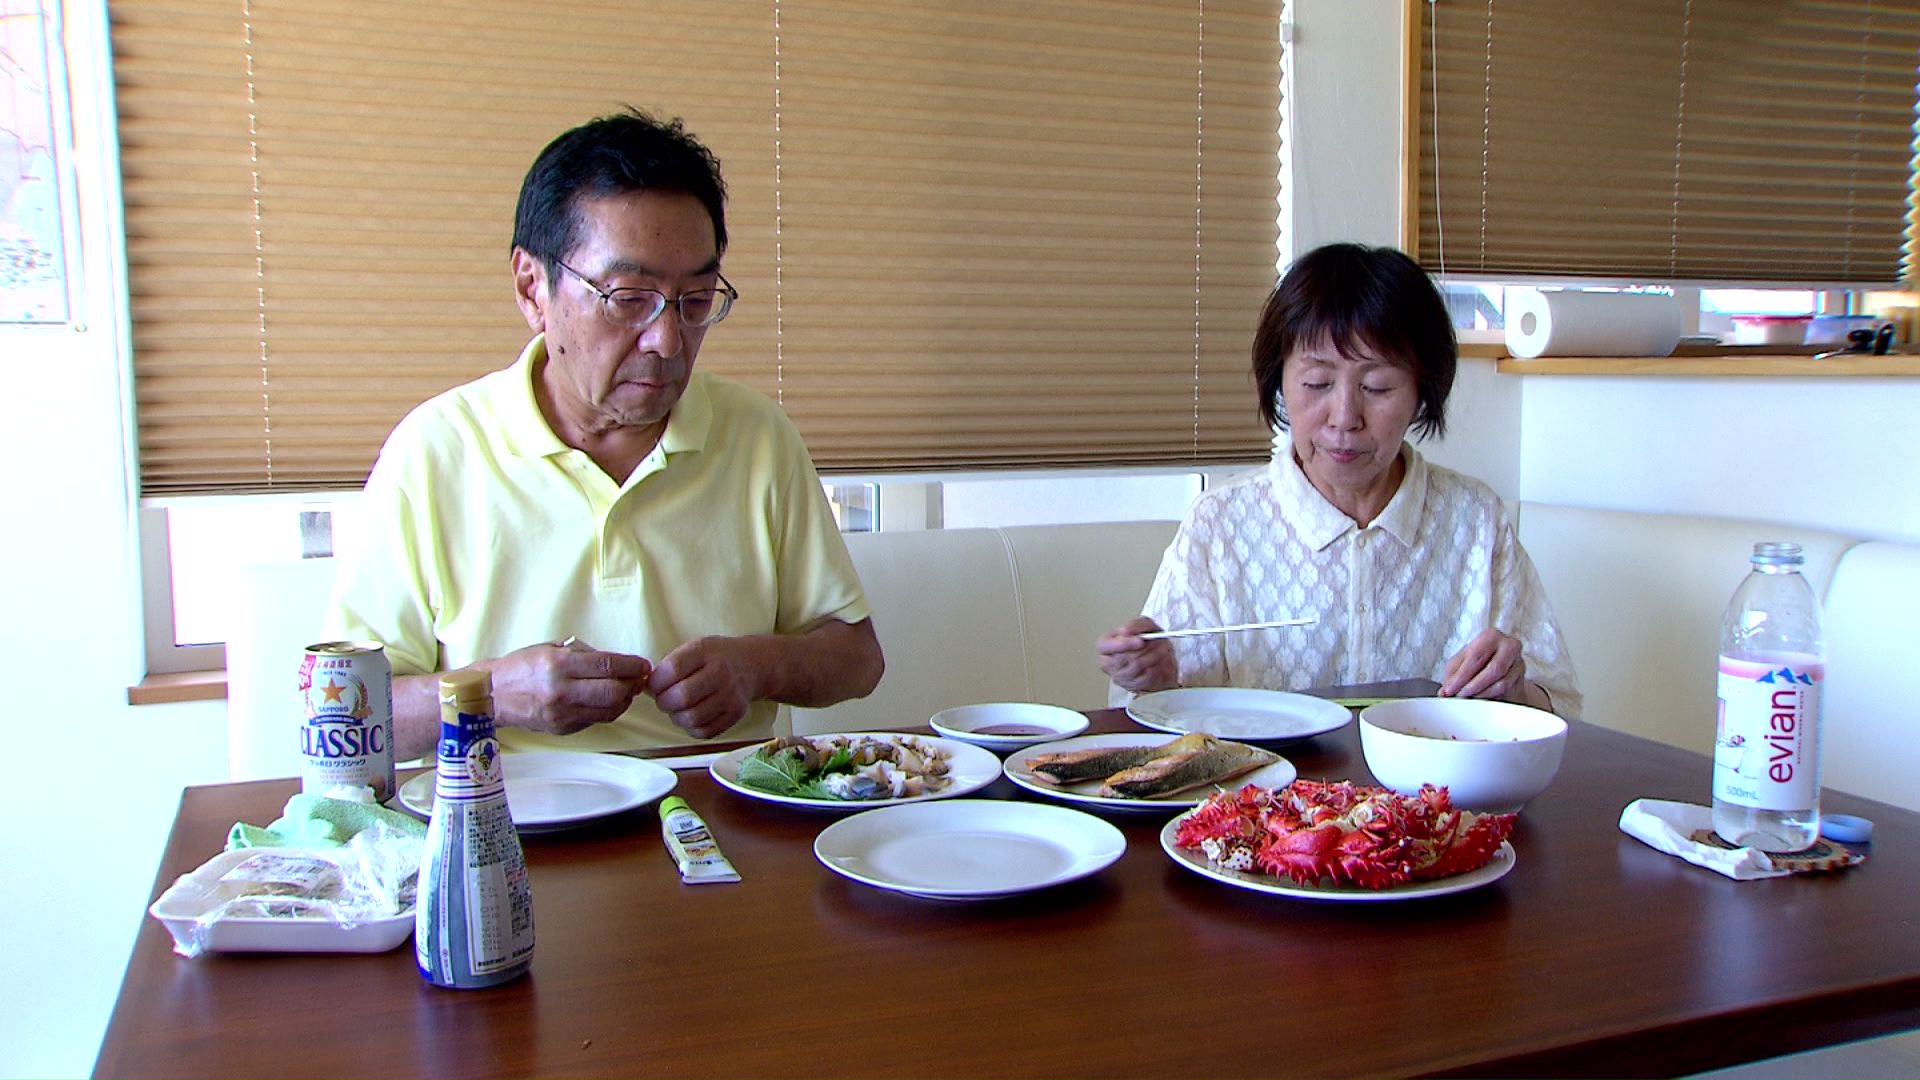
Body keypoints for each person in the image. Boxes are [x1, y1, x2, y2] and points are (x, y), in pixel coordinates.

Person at [326, 108, 884, 759]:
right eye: (628, 298)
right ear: (533, 287)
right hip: (509, 827)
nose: (668, 340)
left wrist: (755, 667)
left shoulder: (759, 438)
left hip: (721, 809)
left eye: (696, 301)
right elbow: (346, 718)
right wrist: (495, 693)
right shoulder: (435, 452)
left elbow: (857, 659)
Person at [1097, 243, 1579, 714]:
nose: (1345, 417)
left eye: (1377, 387)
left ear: (1421, 393)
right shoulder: (1220, 524)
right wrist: (1155, 679)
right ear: (1279, 383)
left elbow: (1559, 706)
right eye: (1317, 384)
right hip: (1262, 792)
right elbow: (1155, 717)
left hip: (1433, 793)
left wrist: (1513, 690)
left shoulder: (1475, 520)